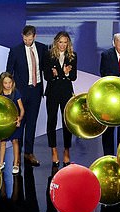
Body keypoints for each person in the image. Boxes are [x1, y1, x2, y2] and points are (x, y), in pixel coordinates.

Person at [6, 25, 48, 167]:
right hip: (21, 93)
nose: (27, 41)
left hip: (36, 91)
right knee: (20, 122)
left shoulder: (42, 48)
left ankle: (29, 153)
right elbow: (9, 72)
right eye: (25, 39)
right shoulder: (15, 50)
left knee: (32, 123)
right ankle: (17, 155)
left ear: (34, 36)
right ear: (22, 36)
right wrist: (10, 92)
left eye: (30, 39)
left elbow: (46, 68)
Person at [43, 31, 77, 167]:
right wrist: (54, 74)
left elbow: (74, 76)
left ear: (68, 43)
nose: (63, 45)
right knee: (51, 120)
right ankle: (54, 150)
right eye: (60, 42)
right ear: (56, 42)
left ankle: (67, 151)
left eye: (65, 42)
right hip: (52, 91)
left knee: (66, 122)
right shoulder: (48, 55)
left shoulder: (73, 56)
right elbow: (46, 76)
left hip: (66, 92)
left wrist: (66, 73)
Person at [0, 72, 24, 174]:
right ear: (1, 83)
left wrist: (19, 118)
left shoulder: (16, 92)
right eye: (5, 83)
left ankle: (15, 164)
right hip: (3, 124)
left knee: (15, 141)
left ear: (12, 82)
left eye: (10, 82)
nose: (8, 85)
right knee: (2, 142)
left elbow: (22, 109)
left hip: (14, 122)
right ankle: (1, 162)